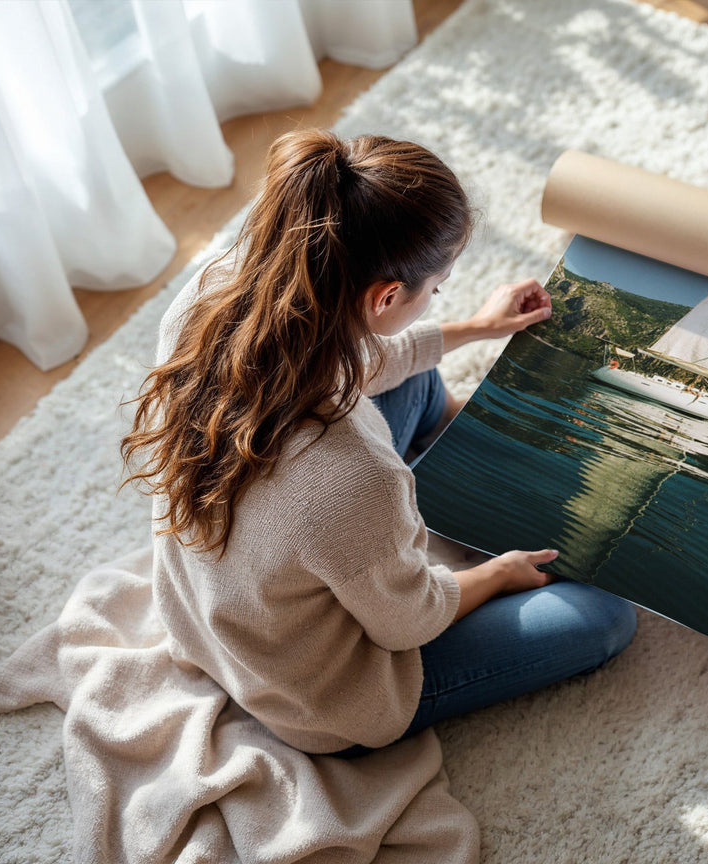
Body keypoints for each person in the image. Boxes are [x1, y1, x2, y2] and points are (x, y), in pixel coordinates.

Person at [121, 129, 636, 757]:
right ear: (387, 295)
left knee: (416, 379)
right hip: (316, 694)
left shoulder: (216, 289)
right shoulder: (353, 475)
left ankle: (461, 460)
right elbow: (408, 622)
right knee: (604, 616)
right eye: (437, 289)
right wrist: (498, 573)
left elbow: (363, 359)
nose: (437, 298)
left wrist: (477, 326)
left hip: (212, 611)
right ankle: (452, 496)